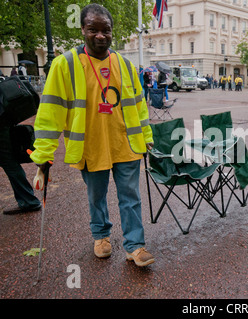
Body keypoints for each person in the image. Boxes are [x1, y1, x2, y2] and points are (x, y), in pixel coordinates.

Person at [29, 4, 155, 267]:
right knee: (96, 197)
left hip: (126, 144)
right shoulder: (65, 64)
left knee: (131, 197)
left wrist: (146, 136)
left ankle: (135, 245)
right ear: (83, 30)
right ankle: (101, 236)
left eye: (106, 30)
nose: (100, 35)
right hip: (91, 147)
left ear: (112, 32)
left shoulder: (125, 65)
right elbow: (51, 112)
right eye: (93, 29)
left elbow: (139, 105)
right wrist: (43, 156)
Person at [0, 85, 41, 214]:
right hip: (3, 118)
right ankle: (28, 200)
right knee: (9, 162)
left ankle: (29, 201)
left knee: (8, 162)